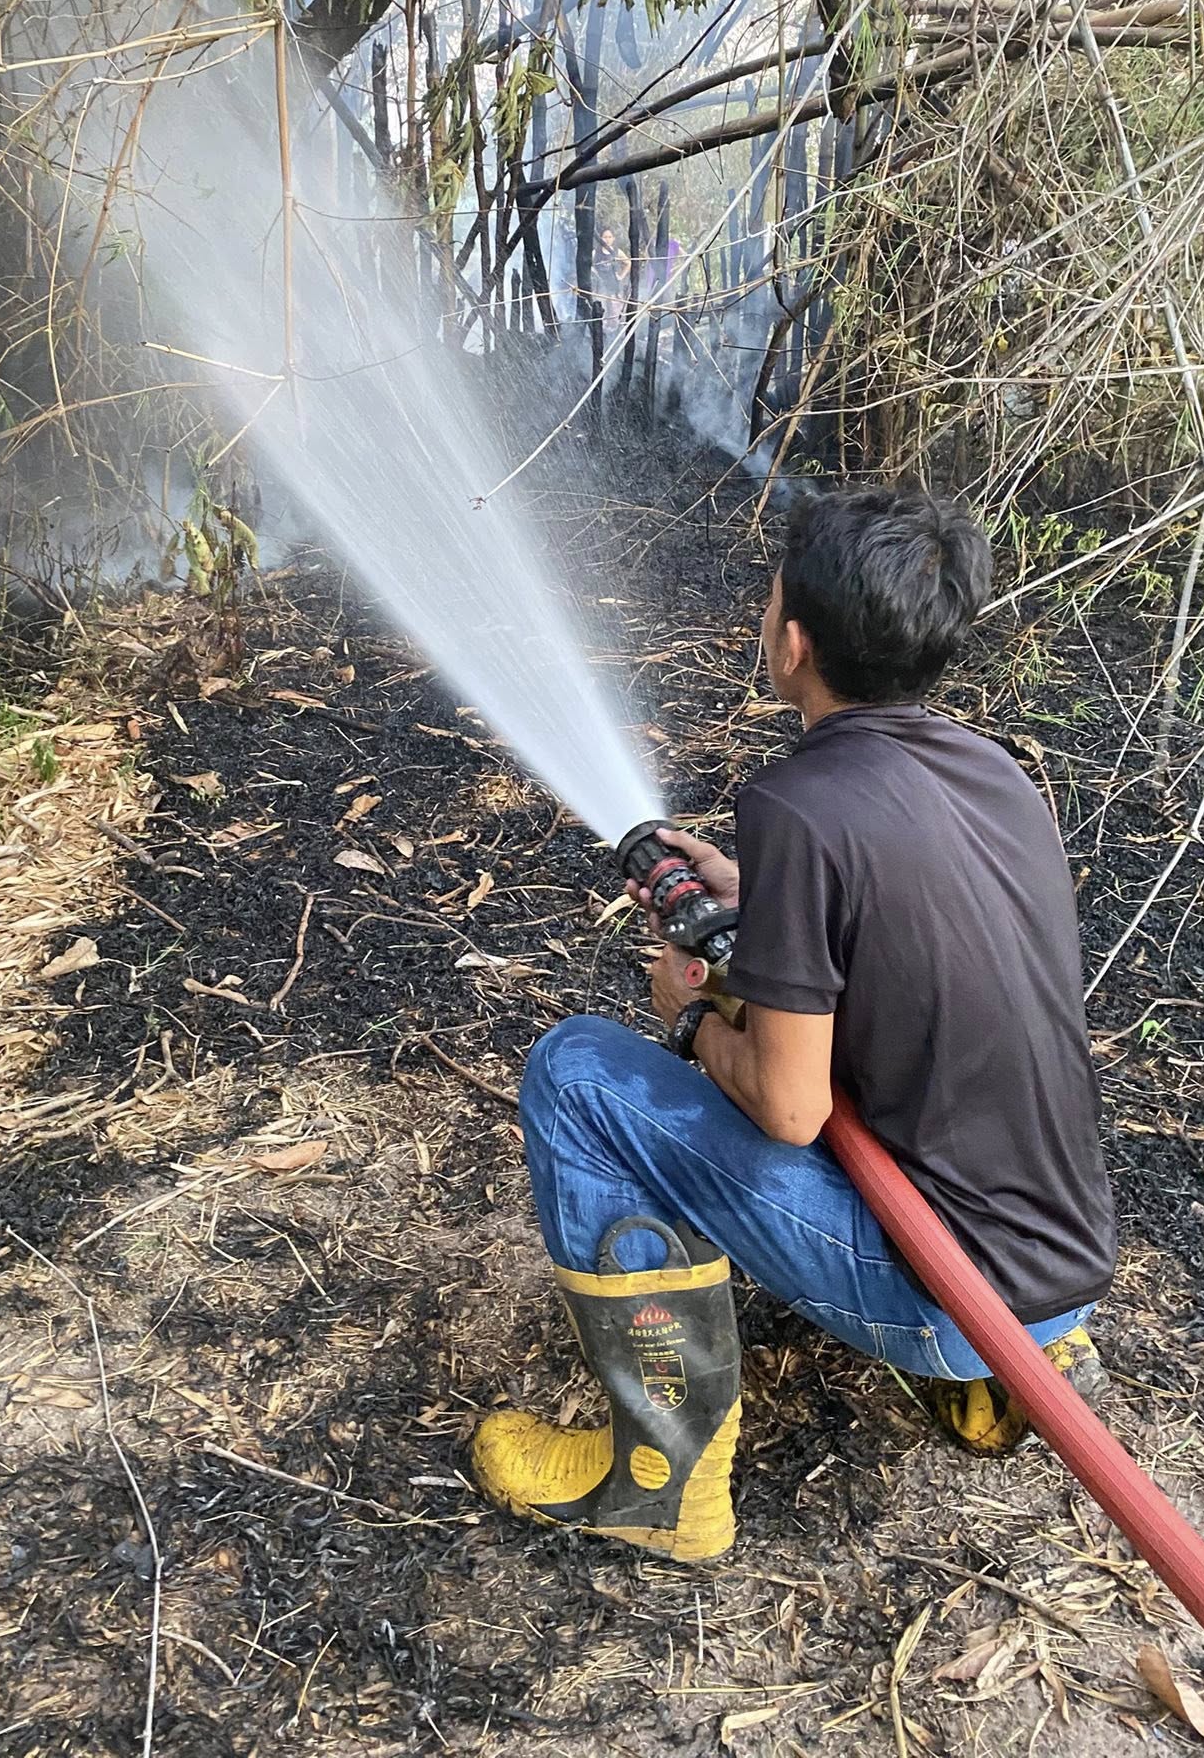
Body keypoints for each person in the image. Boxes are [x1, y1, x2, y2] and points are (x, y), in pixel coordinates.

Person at [472, 487, 1117, 1564]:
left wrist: (689, 1021)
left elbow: (790, 1105)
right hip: (1053, 1266)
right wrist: (759, 897)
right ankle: (999, 1375)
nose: (763, 619)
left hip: (956, 1295)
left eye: (769, 604)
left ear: (796, 642)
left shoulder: (801, 806)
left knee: (575, 1073)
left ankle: (663, 1482)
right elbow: (919, 954)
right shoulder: (994, 772)